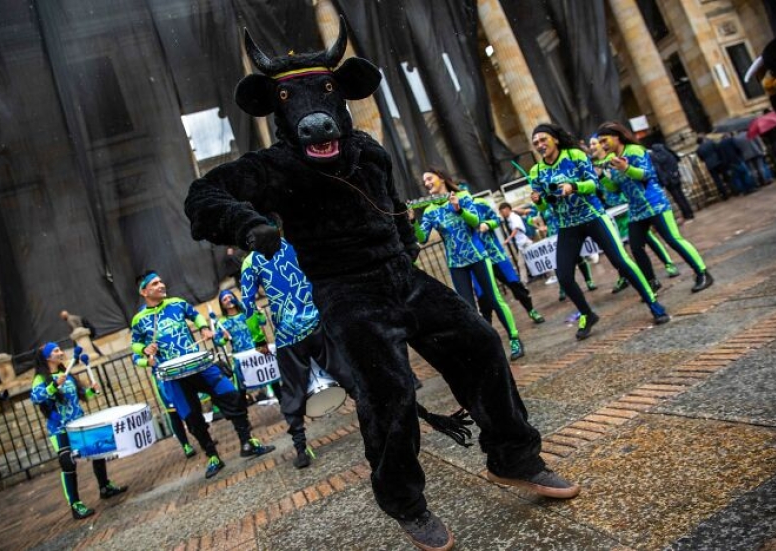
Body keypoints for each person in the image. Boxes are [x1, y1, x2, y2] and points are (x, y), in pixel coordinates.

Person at [185, 25, 579, 550]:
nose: (314, 114)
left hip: (400, 275)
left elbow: (394, 206)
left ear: (341, 94)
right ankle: (406, 504)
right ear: (275, 110)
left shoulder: (369, 151)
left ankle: (515, 457)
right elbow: (203, 195)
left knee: (480, 343)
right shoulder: (272, 166)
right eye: (292, 100)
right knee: (388, 391)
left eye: (324, 94)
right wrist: (246, 225)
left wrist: (406, 244)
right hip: (345, 291)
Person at [528, 123, 670, 340]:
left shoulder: (574, 155)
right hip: (568, 225)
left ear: (555, 139)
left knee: (621, 261)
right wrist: (538, 201)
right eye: (536, 142)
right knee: (564, 276)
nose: (539, 145)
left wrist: (573, 187)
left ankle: (653, 302)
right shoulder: (536, 172)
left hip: (593, 216)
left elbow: (593, 184)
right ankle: (587, 314)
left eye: (543, 139)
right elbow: (544, 207)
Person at [130, 270, 275, 479]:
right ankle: (212, 456)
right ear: (144, 291)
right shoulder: (139, 320)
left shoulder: (177, 303)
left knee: (232, 396)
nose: (161, 285)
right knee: (192, 417)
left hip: (199, 365)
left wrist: (205, 328)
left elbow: (195, 315)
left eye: (161, 281)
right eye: (154, 284)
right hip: (174, 375)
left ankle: (248, 442)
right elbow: (135, 343)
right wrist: (144, 351)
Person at [239, 238, 359, 468]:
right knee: (346, 372)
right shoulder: (293, 242)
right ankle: (372, 419)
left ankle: (301, 448)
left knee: (293, 392)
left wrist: (258, 337)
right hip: (316, 322)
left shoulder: (251, 261)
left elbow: (248, 303)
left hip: (288, 336)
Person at [412, 167, 525, 361]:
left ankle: (514, 338)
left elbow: (476, 222)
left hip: (478, 257)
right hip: (456, 265)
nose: (427, 183)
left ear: (441, 178)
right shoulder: (430, 210)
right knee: (467, 310)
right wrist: (413, 221)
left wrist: (459, 209)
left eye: (429, 179)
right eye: (425, 182)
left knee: (494, 299)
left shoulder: (462, 196)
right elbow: (422, 239)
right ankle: (482, 348)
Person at [597, 122, 714, 294]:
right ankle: (651, 282)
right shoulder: (609, 160)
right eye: (600, 142)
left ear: (616, 136)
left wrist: (626, 167)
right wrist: (604, 178)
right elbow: (615, 188)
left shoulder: (634, 151)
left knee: (673, 239)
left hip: (654, 203)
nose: (602, 145)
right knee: (636, 247)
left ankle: (703, 273)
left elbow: (646, 174)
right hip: (636, 209)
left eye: (604, 140)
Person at [30, 343, 127, 520]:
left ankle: (105, 487)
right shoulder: (40, 379)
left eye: (60, 350)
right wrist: (53, 386)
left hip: (79, 422)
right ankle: (75, 504)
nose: (60, 353)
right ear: (46, 357)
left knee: (97, 451)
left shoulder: (67, 374)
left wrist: (92, 391)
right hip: (59, 429)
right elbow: (36, 398)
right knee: (68, 463)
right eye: (56, 351)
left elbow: (80, 397)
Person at [476, 200, 545, 325]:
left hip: (495, 255)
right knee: (483, 296)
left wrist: (487, 224)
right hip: (476, 260)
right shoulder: (449, 211)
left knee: (514, 283)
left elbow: (496, 219)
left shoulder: (479, 204)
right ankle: (488, 328)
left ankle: (531, 310)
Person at [213, 289, 281, 405]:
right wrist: (224, 338)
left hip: (257, 349)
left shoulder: (247, 312)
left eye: (230, 297)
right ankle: (243, 417)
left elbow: (263, 322)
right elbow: (218, 342)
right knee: (241, 385)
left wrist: (259, 312)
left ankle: (283, 403)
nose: (228, 300)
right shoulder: (221, 322)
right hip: (241, 355)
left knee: (271, 377)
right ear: (222, 305)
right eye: (225, 299)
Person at [649, 142, 695, 221]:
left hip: (668, 181)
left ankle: (686, 214)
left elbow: (658, 170)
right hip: (675, 176)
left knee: (677, 198)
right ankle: (689, 212)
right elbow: (676, 160)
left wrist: (663, 182)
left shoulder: (654, 157)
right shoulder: (667, 152)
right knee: (682, 195)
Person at [695, 135, 731, 200]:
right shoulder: (711, 143)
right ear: (703, 139)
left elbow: (702, 159)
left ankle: (724, 194)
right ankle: (733, 189)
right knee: (725, 175)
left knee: (717, 180)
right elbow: (718, 150)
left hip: (710, 165)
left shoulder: (698, 150)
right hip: (718, 161)